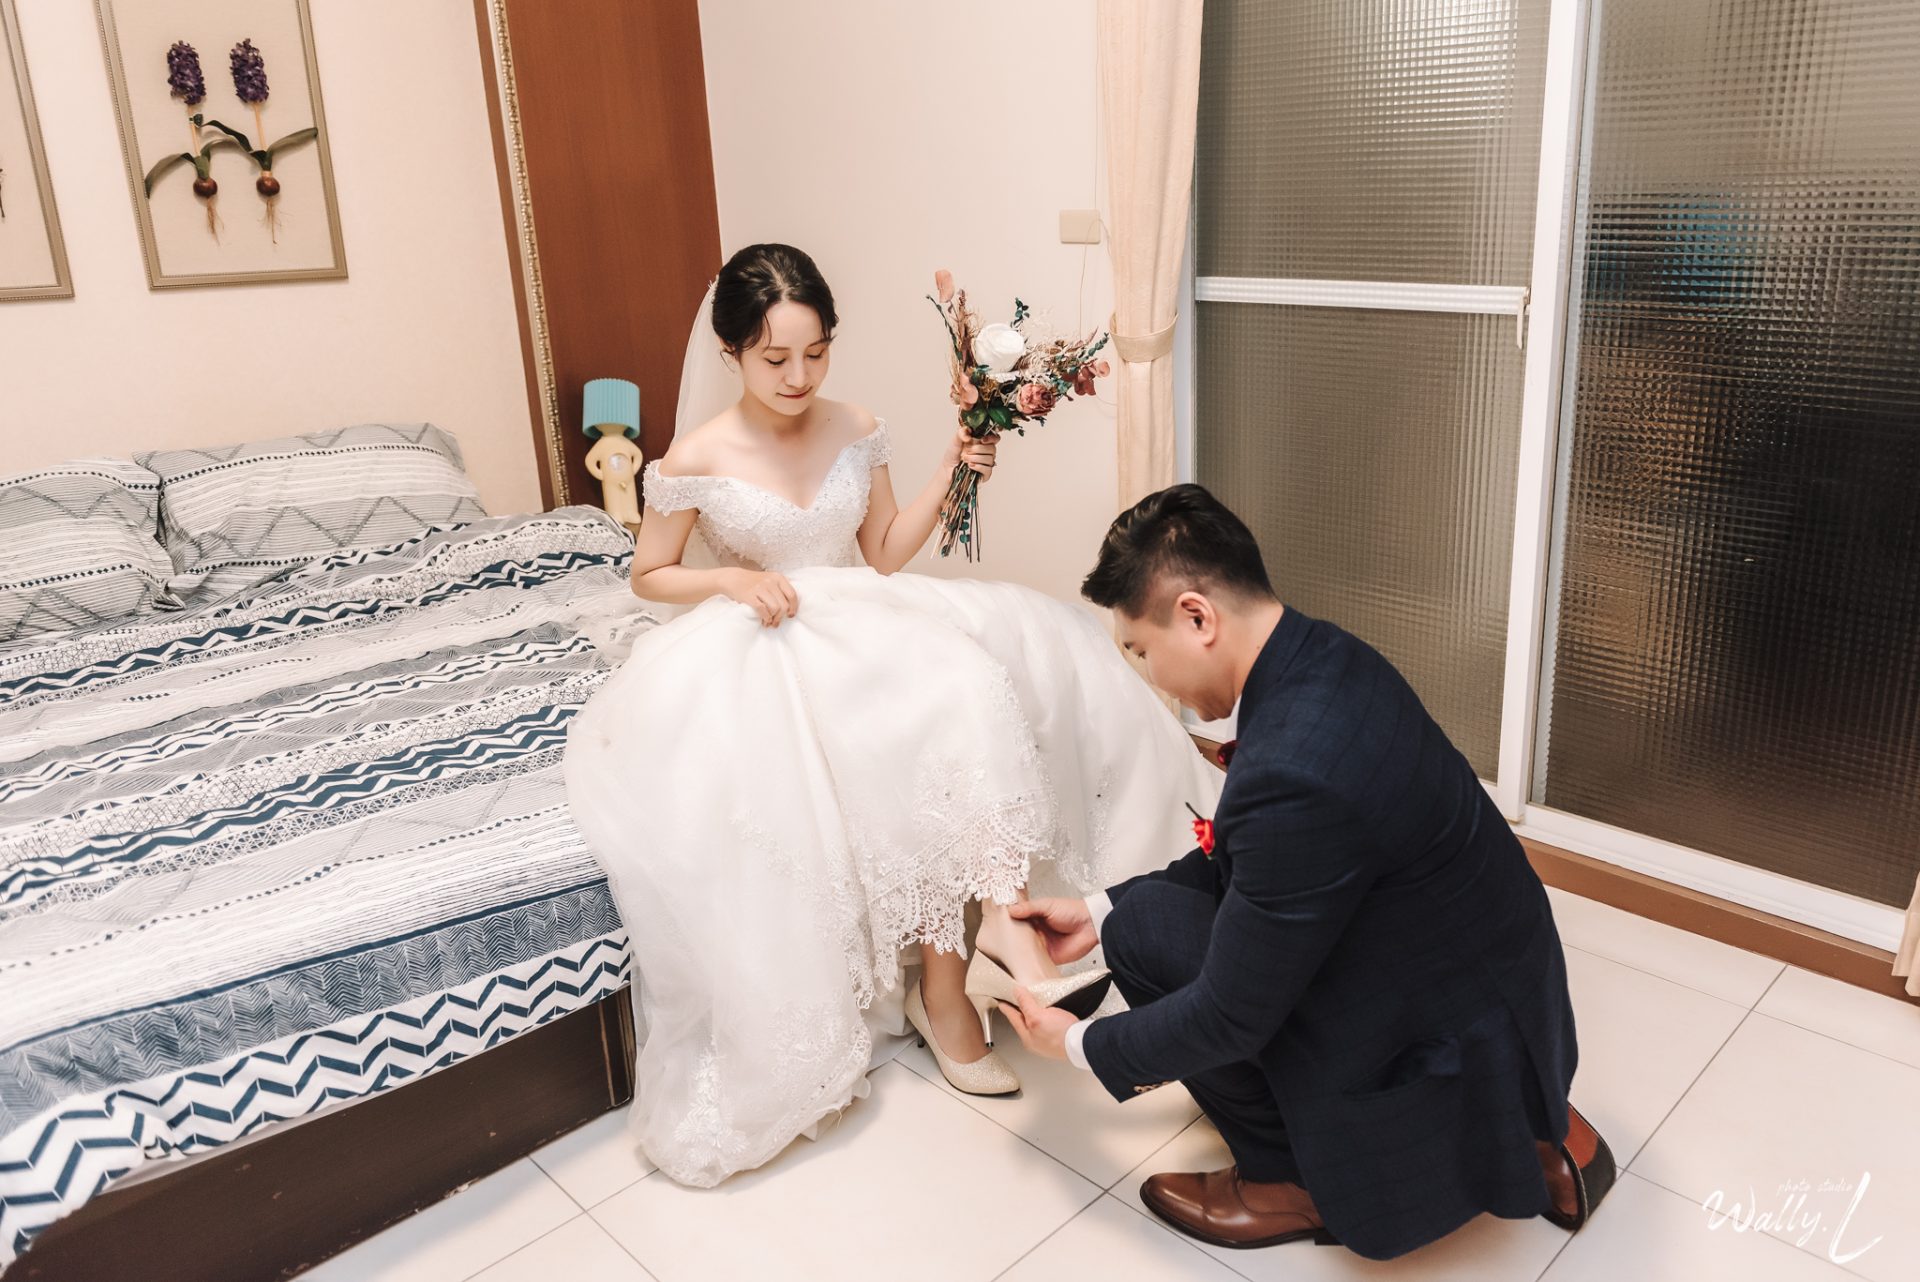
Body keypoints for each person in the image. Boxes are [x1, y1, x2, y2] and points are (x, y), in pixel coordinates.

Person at [561, 244, 1223, 1188]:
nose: (799, 377)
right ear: (731, 352)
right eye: (774, 359)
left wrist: (954, 467)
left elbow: (880, 554)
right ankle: (930, 988)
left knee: (971, 697)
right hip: (767, 635)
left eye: (816, 352)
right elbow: (649, 574)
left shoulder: (857, 425)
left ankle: (966, 962)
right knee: (890, 739)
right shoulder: (695, 457)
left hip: (863, 620)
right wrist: (732, 581)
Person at [997, 484, 1616, 1261]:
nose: (1151, 676)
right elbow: (1263, 858)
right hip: (1500, 990)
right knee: (1135, 913)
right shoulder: (1326, 657)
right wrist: (1098, 908)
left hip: (1435, 1035)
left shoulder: (1291, 768)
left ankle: (1286, 1180)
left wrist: (1080, 1045)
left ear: (1197, 617)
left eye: (1142, 651)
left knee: (1149, 937)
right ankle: (1531, 1121)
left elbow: (1231, 1017)